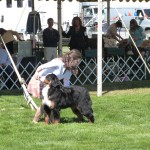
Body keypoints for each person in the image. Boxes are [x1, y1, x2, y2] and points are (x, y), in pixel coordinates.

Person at [27, 49, 82, 123]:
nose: (77, 64)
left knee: (48, 103)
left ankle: (47, 119)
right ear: (72, 60)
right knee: (45, 103)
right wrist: (36, 73)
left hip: (50, 85)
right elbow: (42, 66)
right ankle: (35, 120)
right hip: (39, 80)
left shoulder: (69, 71)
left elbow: (66, 84)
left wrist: (68, 93)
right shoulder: (58, 63)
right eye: (77, 62)